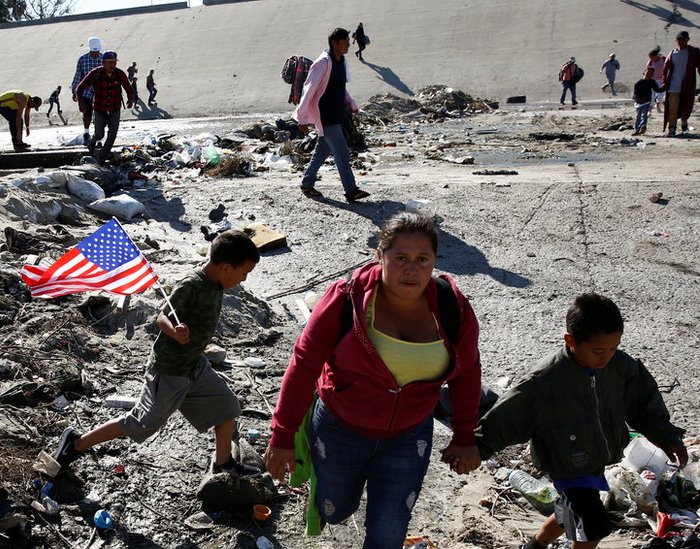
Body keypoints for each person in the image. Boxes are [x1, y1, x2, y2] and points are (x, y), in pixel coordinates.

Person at [264, 212, 482, 549]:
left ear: (434, 261)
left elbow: (467, 373)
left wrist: (466, 435)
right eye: (400, 258)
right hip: (340, 427)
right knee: (336, 510)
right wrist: (282, 435)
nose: (412, 268)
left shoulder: (453, 309)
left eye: (422, 259)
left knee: (388, 532)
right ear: (379, 257)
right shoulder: (347, 299)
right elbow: (304, 363)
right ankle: (330, 500)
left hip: (409, 436)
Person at [476, 293, 688, 549]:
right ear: (571, 340)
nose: (606, 357)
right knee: (593, 524)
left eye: (614, 348)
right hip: (565, 462)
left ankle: (534, 546)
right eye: (598, 350)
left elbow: (643, 405)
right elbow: (507, 416)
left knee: (570, 512)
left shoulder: (621, 368)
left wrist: (668, 438)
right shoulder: (545, 380)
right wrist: (475, 447)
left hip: (596, 459)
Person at [52, 230, 261, 477]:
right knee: (141, 423)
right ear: (226, 268)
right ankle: (76, 443)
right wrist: (175, 331)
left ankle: (222, 464)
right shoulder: (192, 285)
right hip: (170, 370)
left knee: (227, 407)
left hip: (194, 364)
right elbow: (161, 317)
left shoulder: (216, 283)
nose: (244, 279)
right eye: (244, 273)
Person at [294, 27, 369, 203]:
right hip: (325, 115)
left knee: (322, 150)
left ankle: (307, 182)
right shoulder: (322, 63)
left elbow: (340, 87)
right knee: (342, 151)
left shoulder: (341, 61)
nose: (348, 46)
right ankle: (351, 190)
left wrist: (351, 102)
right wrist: (302, 118)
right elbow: (308, 90)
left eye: (348, 43)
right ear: (334, 43)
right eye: (345, 43)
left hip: (337, 113)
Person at [75, 51, 135, 163]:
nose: (112, 65)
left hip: (114, 108)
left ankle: (101, 156)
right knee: (99, 134)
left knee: (112, 134)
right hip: (99, 109)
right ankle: (92, 141)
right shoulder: (95, 73)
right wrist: (81, 103)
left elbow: (129, 89)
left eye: (114, 62)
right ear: (103, 63)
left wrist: (130, 99)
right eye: (109, 62)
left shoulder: (119, 74)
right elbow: (80, 88)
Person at [662, 30, 700, 137]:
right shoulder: (672, 54)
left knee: (686, 107)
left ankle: (684, 121)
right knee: (672, 108)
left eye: (683, 39)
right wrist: (664, 82)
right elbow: (665, 71)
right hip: (673, 86)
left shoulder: (693, 52)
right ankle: (672, 128)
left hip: (687, 86)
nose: (681, 42)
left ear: (688, 39)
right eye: (679, 39)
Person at [71, 36, 104, 145]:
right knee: (87, 113)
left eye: (97, 51)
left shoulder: (104, 59)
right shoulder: (82, 59)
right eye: (94, 51)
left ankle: (98, 137)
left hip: (101, 91)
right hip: (86, 91)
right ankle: (86, 133)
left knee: (100, 115)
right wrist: (75, 91)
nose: (95, 53)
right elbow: (78, 75)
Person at [633, 67, 662, 135]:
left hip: (647, 101)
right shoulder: (639, 83)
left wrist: (664, 88)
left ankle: (643, 126)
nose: (649, 74)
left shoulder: (652, 82)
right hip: (639, 102)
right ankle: (637, 130)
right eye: (648, 73)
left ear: (652, 75)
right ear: (644, 73)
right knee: (638, 116)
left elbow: (657, 89)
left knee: (644, 115)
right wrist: (638, 98)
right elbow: (635, 93)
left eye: (651, 73)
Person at [647, 47, 666, 112]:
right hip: (652, 80)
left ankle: (658, 106)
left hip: (661, 79)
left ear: (656, 56)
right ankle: (649, 109)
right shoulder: (650, 62)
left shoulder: (663, 59)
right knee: (651, 94)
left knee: (660, 94)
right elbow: (647, 71)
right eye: (650, 57)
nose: (651, 59)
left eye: (652, 57)